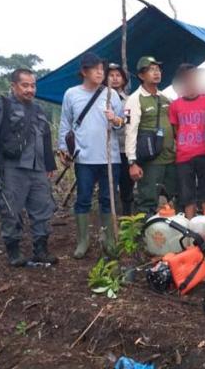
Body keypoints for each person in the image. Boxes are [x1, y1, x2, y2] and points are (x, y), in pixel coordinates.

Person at [0, 68, 58, 266]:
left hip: (38, 168)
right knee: (10, 210)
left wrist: (49, 164)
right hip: (12, 167)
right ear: (14, 86)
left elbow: (46, 137)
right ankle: (14, 251)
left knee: (43, 208)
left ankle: (41, 250)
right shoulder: (3, 106)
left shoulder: (39, 110)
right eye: (25, 85)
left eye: (33, 85)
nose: (30, 90)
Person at [58, 53, 124, 259]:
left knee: (107, 199)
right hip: (84, 157)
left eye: (101, 69)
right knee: (83, 198)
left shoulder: (111, 95)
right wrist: (63, 149)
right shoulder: (71, 94)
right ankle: (83, 241)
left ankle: (109, 239)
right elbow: (65, 124)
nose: (100, 72)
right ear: (84, 72)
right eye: (95, 69)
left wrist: (115, 119)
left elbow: (123, 124)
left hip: (110, 157)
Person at [124, 56, 177, 215]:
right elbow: (130, 130)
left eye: (158, 69)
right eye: (151, 70)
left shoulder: (166, 98)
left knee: (175, 199)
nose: (156, 73)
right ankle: (144, 230)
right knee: (147, 202)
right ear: (141, 75)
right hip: (151, 160)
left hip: (171, 158)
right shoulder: (135, 99)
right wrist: (132, 162)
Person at [168, 64, 205, 219]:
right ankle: (189, 228)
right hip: (184, 156)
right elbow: (175, 129)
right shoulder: (175, 105)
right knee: (187, 195)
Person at [105, 63, 134, 215]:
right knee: (107, 187)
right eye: (111, 75)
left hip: (123, 148)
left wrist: (117, 120)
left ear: (124, 79)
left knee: (126, 186)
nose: (115, 79)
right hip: (105, 151)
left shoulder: (129, 100)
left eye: (118, 75)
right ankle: (110, 218)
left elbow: (129, 123)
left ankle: (127, 218)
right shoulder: (100, 99)